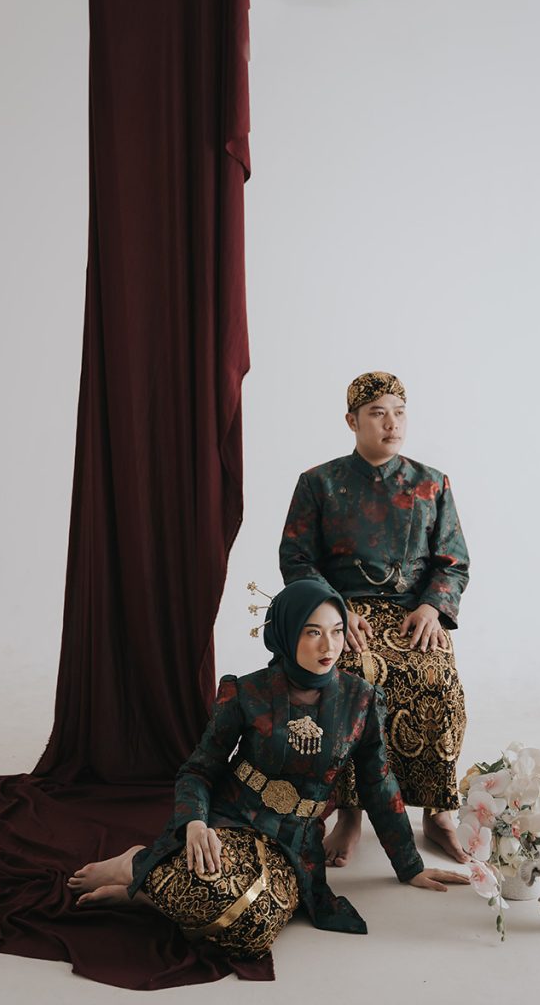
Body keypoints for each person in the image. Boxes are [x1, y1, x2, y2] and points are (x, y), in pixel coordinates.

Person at [68, 579, 468, 958]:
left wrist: (409, 867)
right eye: (312, 632)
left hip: (295, 840)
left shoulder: (360, 700)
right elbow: (198, 770)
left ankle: (144, 891)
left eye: (336, 631)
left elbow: (378, 785)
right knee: (210, 885)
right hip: (233, 817)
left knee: (253, 927)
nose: (328, 645)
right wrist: (194, 823)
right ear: (286, 634)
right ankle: (136, 864)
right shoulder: (246, 692)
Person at [279, 372, 470, 866]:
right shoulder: (319, 483)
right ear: (352, 421)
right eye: (378, 414)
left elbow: (453, 561)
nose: (392, 424)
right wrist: (334, 608)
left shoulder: (432, 483)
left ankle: (438, 812)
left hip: (413, 614)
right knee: (350, 679)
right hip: (344, 613)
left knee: (436, 677)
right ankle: (350, 814)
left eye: (399, 413)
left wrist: (432, 606)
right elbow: (296, 557)